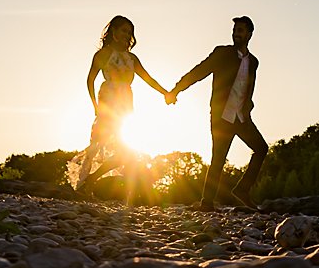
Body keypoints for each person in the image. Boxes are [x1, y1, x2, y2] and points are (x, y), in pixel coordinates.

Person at [167, 16, 264, 209]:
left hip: (242, 117)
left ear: (250, 34)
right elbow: (199, 72)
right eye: (235, 30)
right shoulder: (222, 53)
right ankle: (207, 202)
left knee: (261, 149)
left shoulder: (253, 62)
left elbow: (248, 87)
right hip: (222, 115)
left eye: (241, 31)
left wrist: (249, 104)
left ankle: (242, 190)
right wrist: (176, 89)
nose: (236, 34)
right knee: (218, 158)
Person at [68, 15, 169, 200]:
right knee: (97, 146)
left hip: (126, 104)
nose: (127, 35)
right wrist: (95, 106)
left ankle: (92, 180)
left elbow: (148, 79)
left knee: (125, 152)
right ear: (113, 32)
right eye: (123, 30)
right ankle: (82, 187)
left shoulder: (132, 58)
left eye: (130, 32)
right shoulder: (103, 55)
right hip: (108, 101)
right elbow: (90, 80)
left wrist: (166, 93)